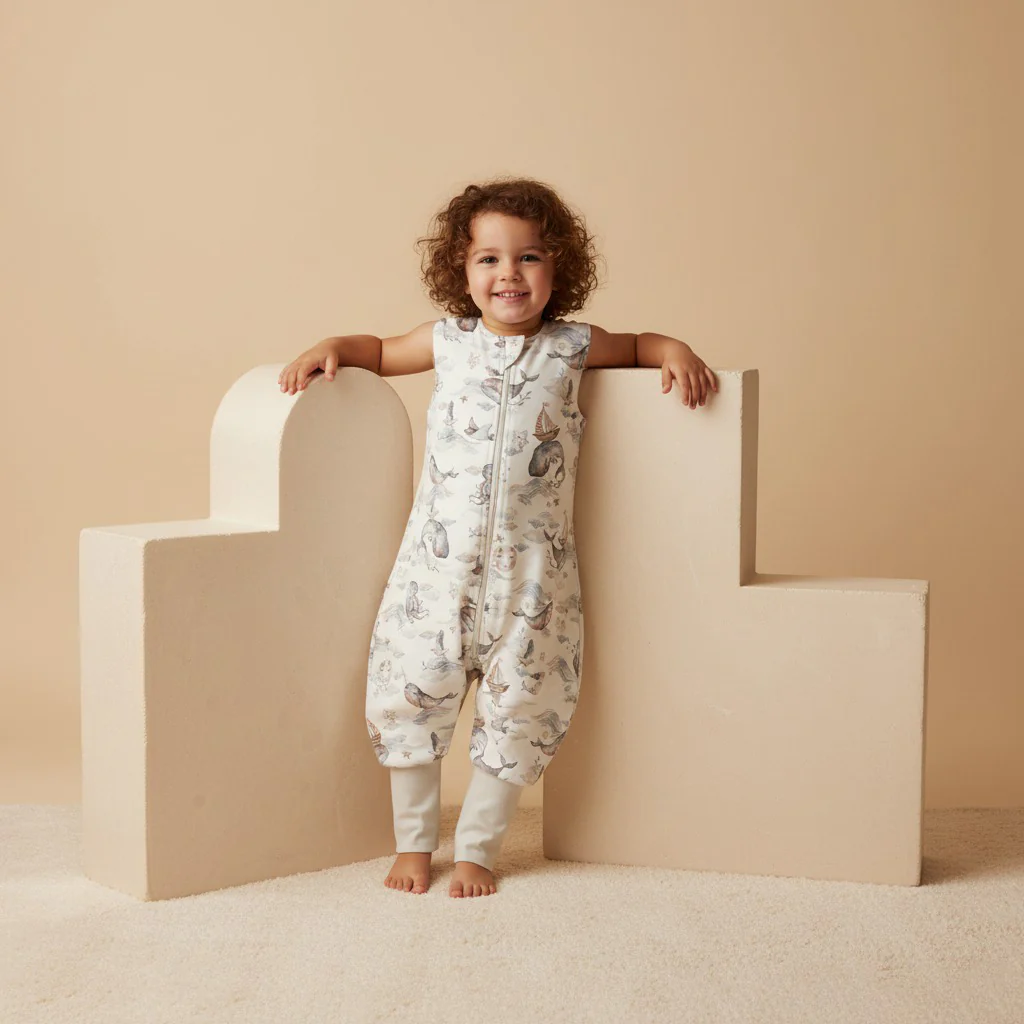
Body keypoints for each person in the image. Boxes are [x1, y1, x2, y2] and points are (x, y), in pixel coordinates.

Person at [278, 177, 718, 899]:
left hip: (533, 579)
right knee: (411, 694)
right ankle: (414, 843)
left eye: (529, 257)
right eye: (488, 259)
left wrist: (676, 349)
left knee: (523, 707)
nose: (508, 274)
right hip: (436, 572)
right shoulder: (447, 343)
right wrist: (331, 347)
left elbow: (640, 344)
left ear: (557, 267)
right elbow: (379, 351)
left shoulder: (571, 347)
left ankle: (479, 850)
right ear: (462, 272)